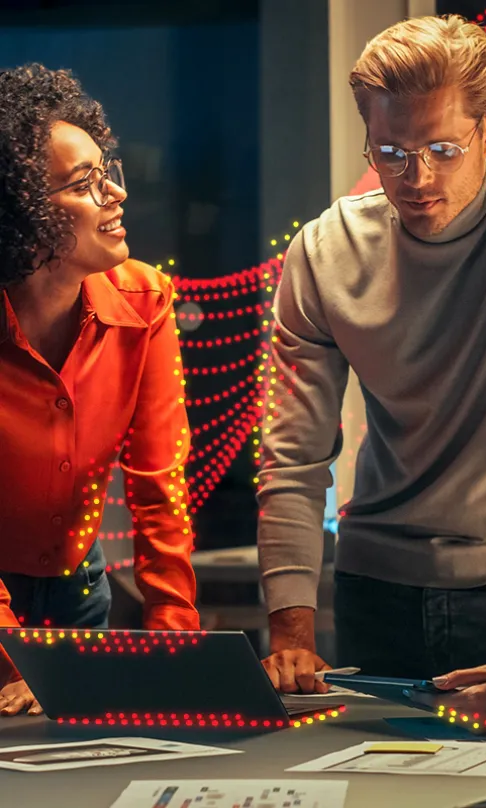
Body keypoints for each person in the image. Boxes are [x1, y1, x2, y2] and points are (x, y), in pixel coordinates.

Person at [258, 14, 486, 694]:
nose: (415, 177)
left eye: (441, 148)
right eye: (391, 153)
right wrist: (290, 631)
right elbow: (293, 455)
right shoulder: (322, 251)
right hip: (373, 590)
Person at [0, 64, 199, 715]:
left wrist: (177, 652)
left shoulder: (145, 299)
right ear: (19, 207)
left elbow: (159, 484)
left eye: (106, 170)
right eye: (84, 184)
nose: (115, 192)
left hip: (75, 583)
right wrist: (11, 661)